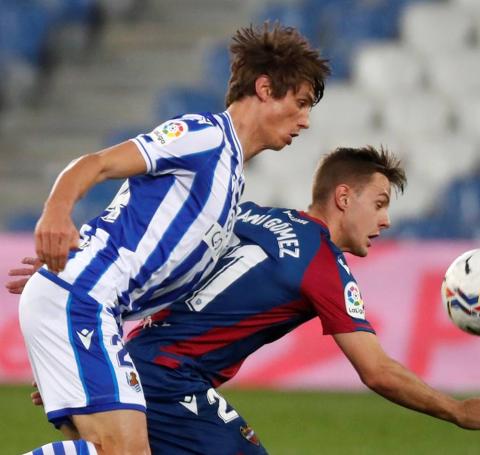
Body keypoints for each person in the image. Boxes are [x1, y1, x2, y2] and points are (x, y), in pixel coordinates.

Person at [10, 146, 480, 454]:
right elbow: (376, 371)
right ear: (343, 197)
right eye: (378, 204)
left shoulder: (247, 217)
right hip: (169, 378)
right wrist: (456, 411)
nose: (385, 221)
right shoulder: (321, 263)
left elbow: (161, 255)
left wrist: (91, 352)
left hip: (137, 360)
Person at [17, 22, 329, 455]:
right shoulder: (203, 136)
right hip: (82, 300)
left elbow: (142, 239)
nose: (306, 121)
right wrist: (56, 214)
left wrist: (77, 259)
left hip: (85, 303)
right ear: (264, 88)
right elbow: (97, 163)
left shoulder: (231, 179)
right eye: (300, 103)